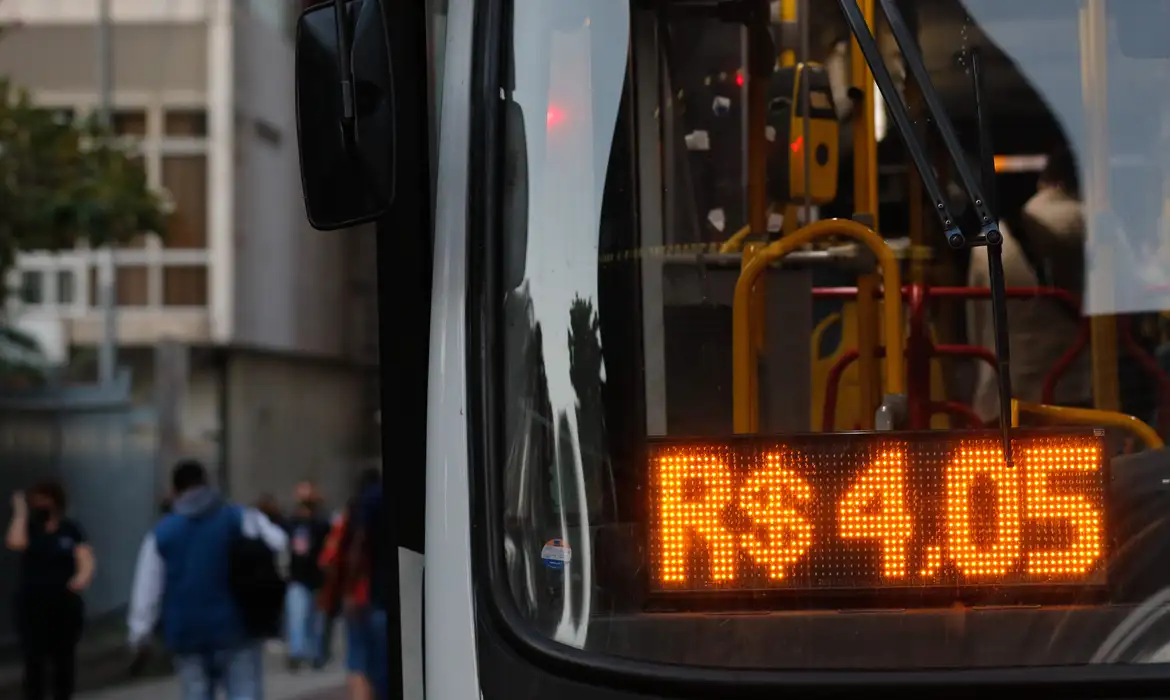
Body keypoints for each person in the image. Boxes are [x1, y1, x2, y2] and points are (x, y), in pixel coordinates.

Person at [127, 459, 288, 700]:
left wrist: (140, 634)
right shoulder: (239, 517)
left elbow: (147, 589)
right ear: (207, 483)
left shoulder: (162, 533)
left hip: (186, 632)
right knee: (245, 693)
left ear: (175, 492)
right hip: (237, 627)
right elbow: (278, 541)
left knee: (195, 693)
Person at [967, 145, 1092, 424]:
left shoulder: (988, 240)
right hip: (1069, 399)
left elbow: (976, 330)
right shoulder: (1093, 225)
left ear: (1042, 181)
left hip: (1000, 400)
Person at [5, 480, 96, 700]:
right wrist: (20, 512)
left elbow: (85, 557)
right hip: (32, 605)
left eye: (42, 498)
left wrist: (81, 579)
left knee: (63, 661)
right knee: (33, 661)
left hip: (64, 604)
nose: (38, 504)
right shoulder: (29, 528)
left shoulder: (70, 529)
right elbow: (15, 542)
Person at [318, 468, 380, 700]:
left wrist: (345, 590)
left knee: (359, 662)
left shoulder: (355, 510)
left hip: (360, 594)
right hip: (378, 596)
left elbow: (335, 556)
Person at [283, 481, 331, 670]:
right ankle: (297, 653)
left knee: (315, 619)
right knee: (298, 616)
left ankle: (315, 653)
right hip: (298, 577)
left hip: (318, 578)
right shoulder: (293, 522)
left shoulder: (321, 522)